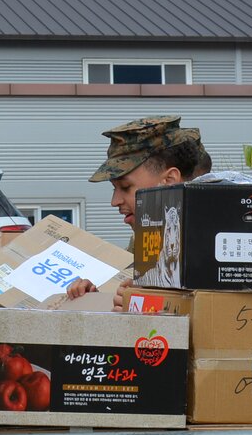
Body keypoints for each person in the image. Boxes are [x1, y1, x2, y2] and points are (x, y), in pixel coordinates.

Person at [65, 115, 207, 303]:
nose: (114, 201)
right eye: (114, 188)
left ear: (169, 181)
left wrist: (148, 303)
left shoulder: (210, 243)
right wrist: (96, 299)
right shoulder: (147, 239)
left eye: (125, 187)